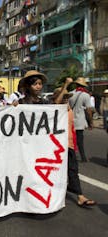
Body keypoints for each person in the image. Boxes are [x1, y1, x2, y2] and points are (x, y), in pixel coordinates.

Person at [53, 78, 96, 207]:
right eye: (64, 96)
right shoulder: (56, 108)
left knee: (73, 169)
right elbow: (56, 102)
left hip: (69, 144)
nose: (66, 98)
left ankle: (80, 196)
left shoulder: (68, 107)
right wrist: (65, 84)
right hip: (57, 146)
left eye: (67, 96)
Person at [68, 77, 93, 162]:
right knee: (80, 141)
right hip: (80, 122)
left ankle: (71, 156)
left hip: (70, 121)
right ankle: (83, 157)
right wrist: (91, 122)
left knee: (70, 140)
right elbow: (89, 111)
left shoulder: (70, 94)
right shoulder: (85, 95)